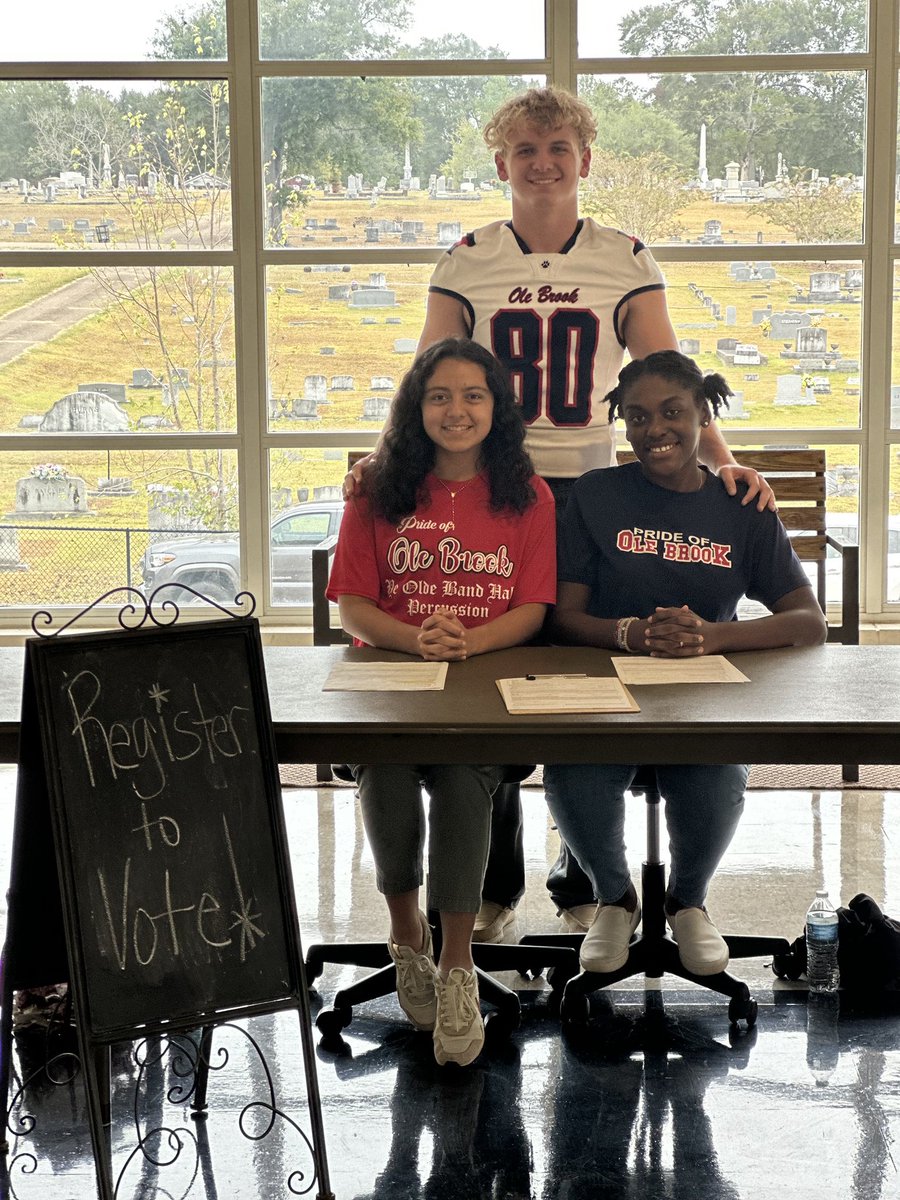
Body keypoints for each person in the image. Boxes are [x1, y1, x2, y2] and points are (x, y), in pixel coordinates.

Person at [348, 84, 776, 943]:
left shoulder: (623, 255)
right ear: (501, 163)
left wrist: (723, 463)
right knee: (489, 681)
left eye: (558, 149)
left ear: (584, 160)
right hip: (489, 477)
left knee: (583, 675)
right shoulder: (469, 258)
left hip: (586, 482)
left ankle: (587, 873)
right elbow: (432, 371)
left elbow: (670, 374)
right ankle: (492, 878)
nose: (543, 164)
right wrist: (386, 451)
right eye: (525, 151)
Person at [543, 350, 827, 978]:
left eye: (672, 412)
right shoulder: (595, 495)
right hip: (606, 685)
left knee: (715, 773)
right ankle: (614, 900)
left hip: (704, 690)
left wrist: (714, 638)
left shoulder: (741, 506)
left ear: (703, 413)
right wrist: (631, 633)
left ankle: (687, 902)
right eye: (637, 417)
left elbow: (808, 622)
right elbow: (563, 617)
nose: (655, 430)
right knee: (573, 773)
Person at [326, 337, 556, 1067]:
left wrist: (469, 643)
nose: (456, 411)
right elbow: (354, 607)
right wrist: (412, 638)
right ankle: (407, 942)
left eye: (473, 396)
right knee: (386, 772)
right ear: (415, 407)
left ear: (498, 408)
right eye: (439, 396)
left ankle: (458, 965)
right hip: (390, 676)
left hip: (480, 680)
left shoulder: (530, 493)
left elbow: (534, 608)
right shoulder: (375, 489)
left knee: (464, 780)